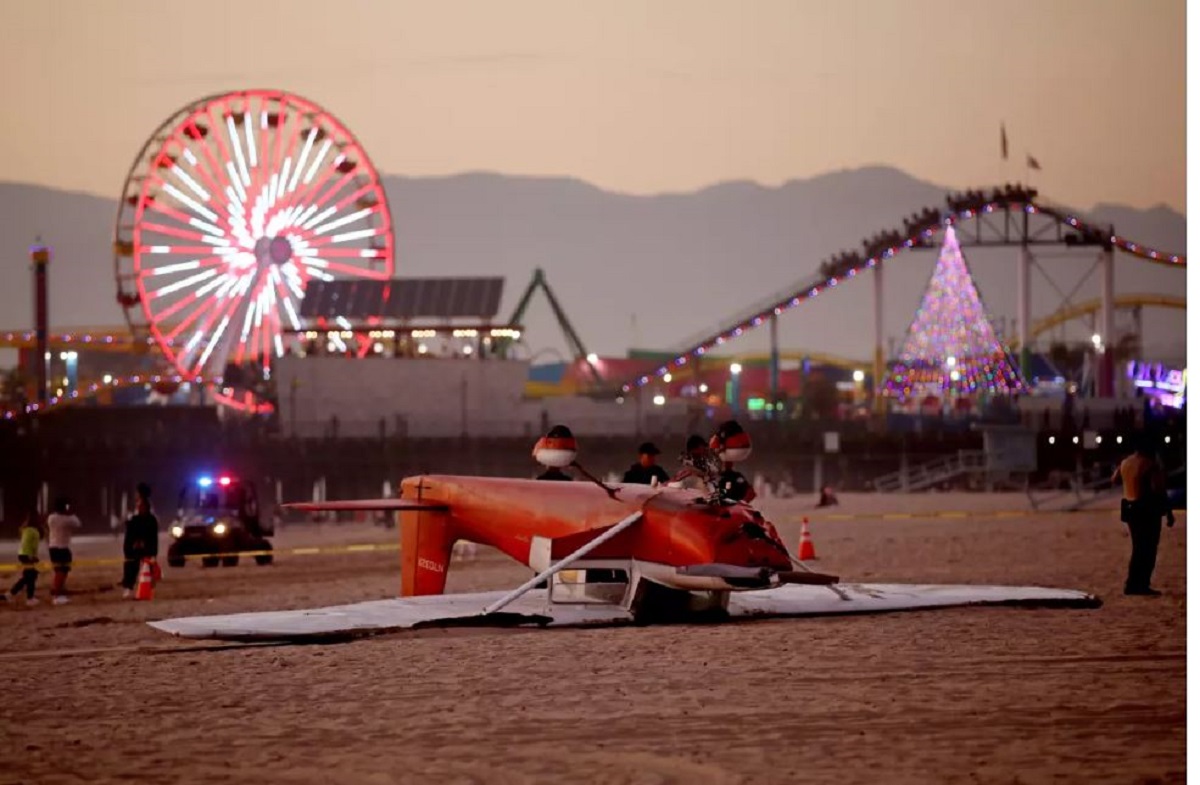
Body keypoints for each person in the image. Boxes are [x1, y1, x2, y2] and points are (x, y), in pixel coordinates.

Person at [1111, 434, 1175, 596]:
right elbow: (1157, 489)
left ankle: (1132, 583)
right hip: (1146, 509)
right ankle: (1141, 584)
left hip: (1129, 508)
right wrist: (1168, 512)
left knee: (1137, 547)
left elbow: (1114, 479)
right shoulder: (1150, 464)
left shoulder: (1125, 462)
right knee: (1148, 549)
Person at [121, 484, 159, 599]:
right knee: (132, 567)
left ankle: (145, 588)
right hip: (135, 546)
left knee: (144, 567)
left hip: (143, 545)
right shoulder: (137, 515)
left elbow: (150, 534)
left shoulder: (147, 516)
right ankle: (130, 587)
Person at [46, 496, 82, 605]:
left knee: (58, 571)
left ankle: (59, 590)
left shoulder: (51, 518)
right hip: (62, 547)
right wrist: (71, 512)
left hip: (52, 547)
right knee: (62, 572)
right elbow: (78, 523)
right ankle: (58, 595)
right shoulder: (68, 519)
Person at [5, 514, 42, 606]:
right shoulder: (35, 532)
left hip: (22, 554)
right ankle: (29, 598)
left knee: (28, 576)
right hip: (28, 555)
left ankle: (10, 594)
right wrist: (33, 557)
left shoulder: (26, 530)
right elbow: (33, 546)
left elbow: (25, 543)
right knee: (31, 577)